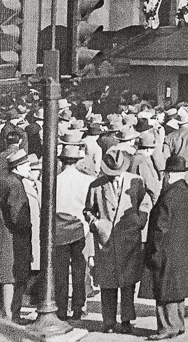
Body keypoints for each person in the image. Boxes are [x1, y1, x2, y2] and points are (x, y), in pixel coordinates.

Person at [86, 147, 151, 334]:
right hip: (106, 241)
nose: (114, 177)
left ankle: (127, 320)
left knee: (128, 282)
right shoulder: (96, 185)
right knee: (107, 283)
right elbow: (88, 209)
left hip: (129, 239)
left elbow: (146, 202)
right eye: (111, 174)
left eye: (117, 173)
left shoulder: (136, 182)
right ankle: (108, 321)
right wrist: (96, 223)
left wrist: (140, 220)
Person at [144, 155, 188, 340]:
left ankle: (166, 327)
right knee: (178, 287)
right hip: (182, 248)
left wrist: (154, 249)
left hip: (165, 249)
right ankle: (179, 323)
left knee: (163, 288)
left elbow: (160, 227)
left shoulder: (167, 196)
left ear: (168, 174)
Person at [0, 148, 33, 323]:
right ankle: (11, 316)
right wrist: (28, 226)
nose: (29, 168)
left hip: (1, 235)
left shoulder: (2, 182)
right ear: (18, 167)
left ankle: (1, 314)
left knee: (3, 276)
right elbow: (17, 216)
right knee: (12, 277)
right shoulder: (15, 185)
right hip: (13, 238)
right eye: (26, 165)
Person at [54, 140, 94, 322]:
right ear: (77, 161)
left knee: (60, 273)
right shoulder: (87, 181)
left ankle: (61, 308)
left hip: (59, 230)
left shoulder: (54, 180)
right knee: (80, 271)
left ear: (62, 161)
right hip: (81, 230)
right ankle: (78, 308)